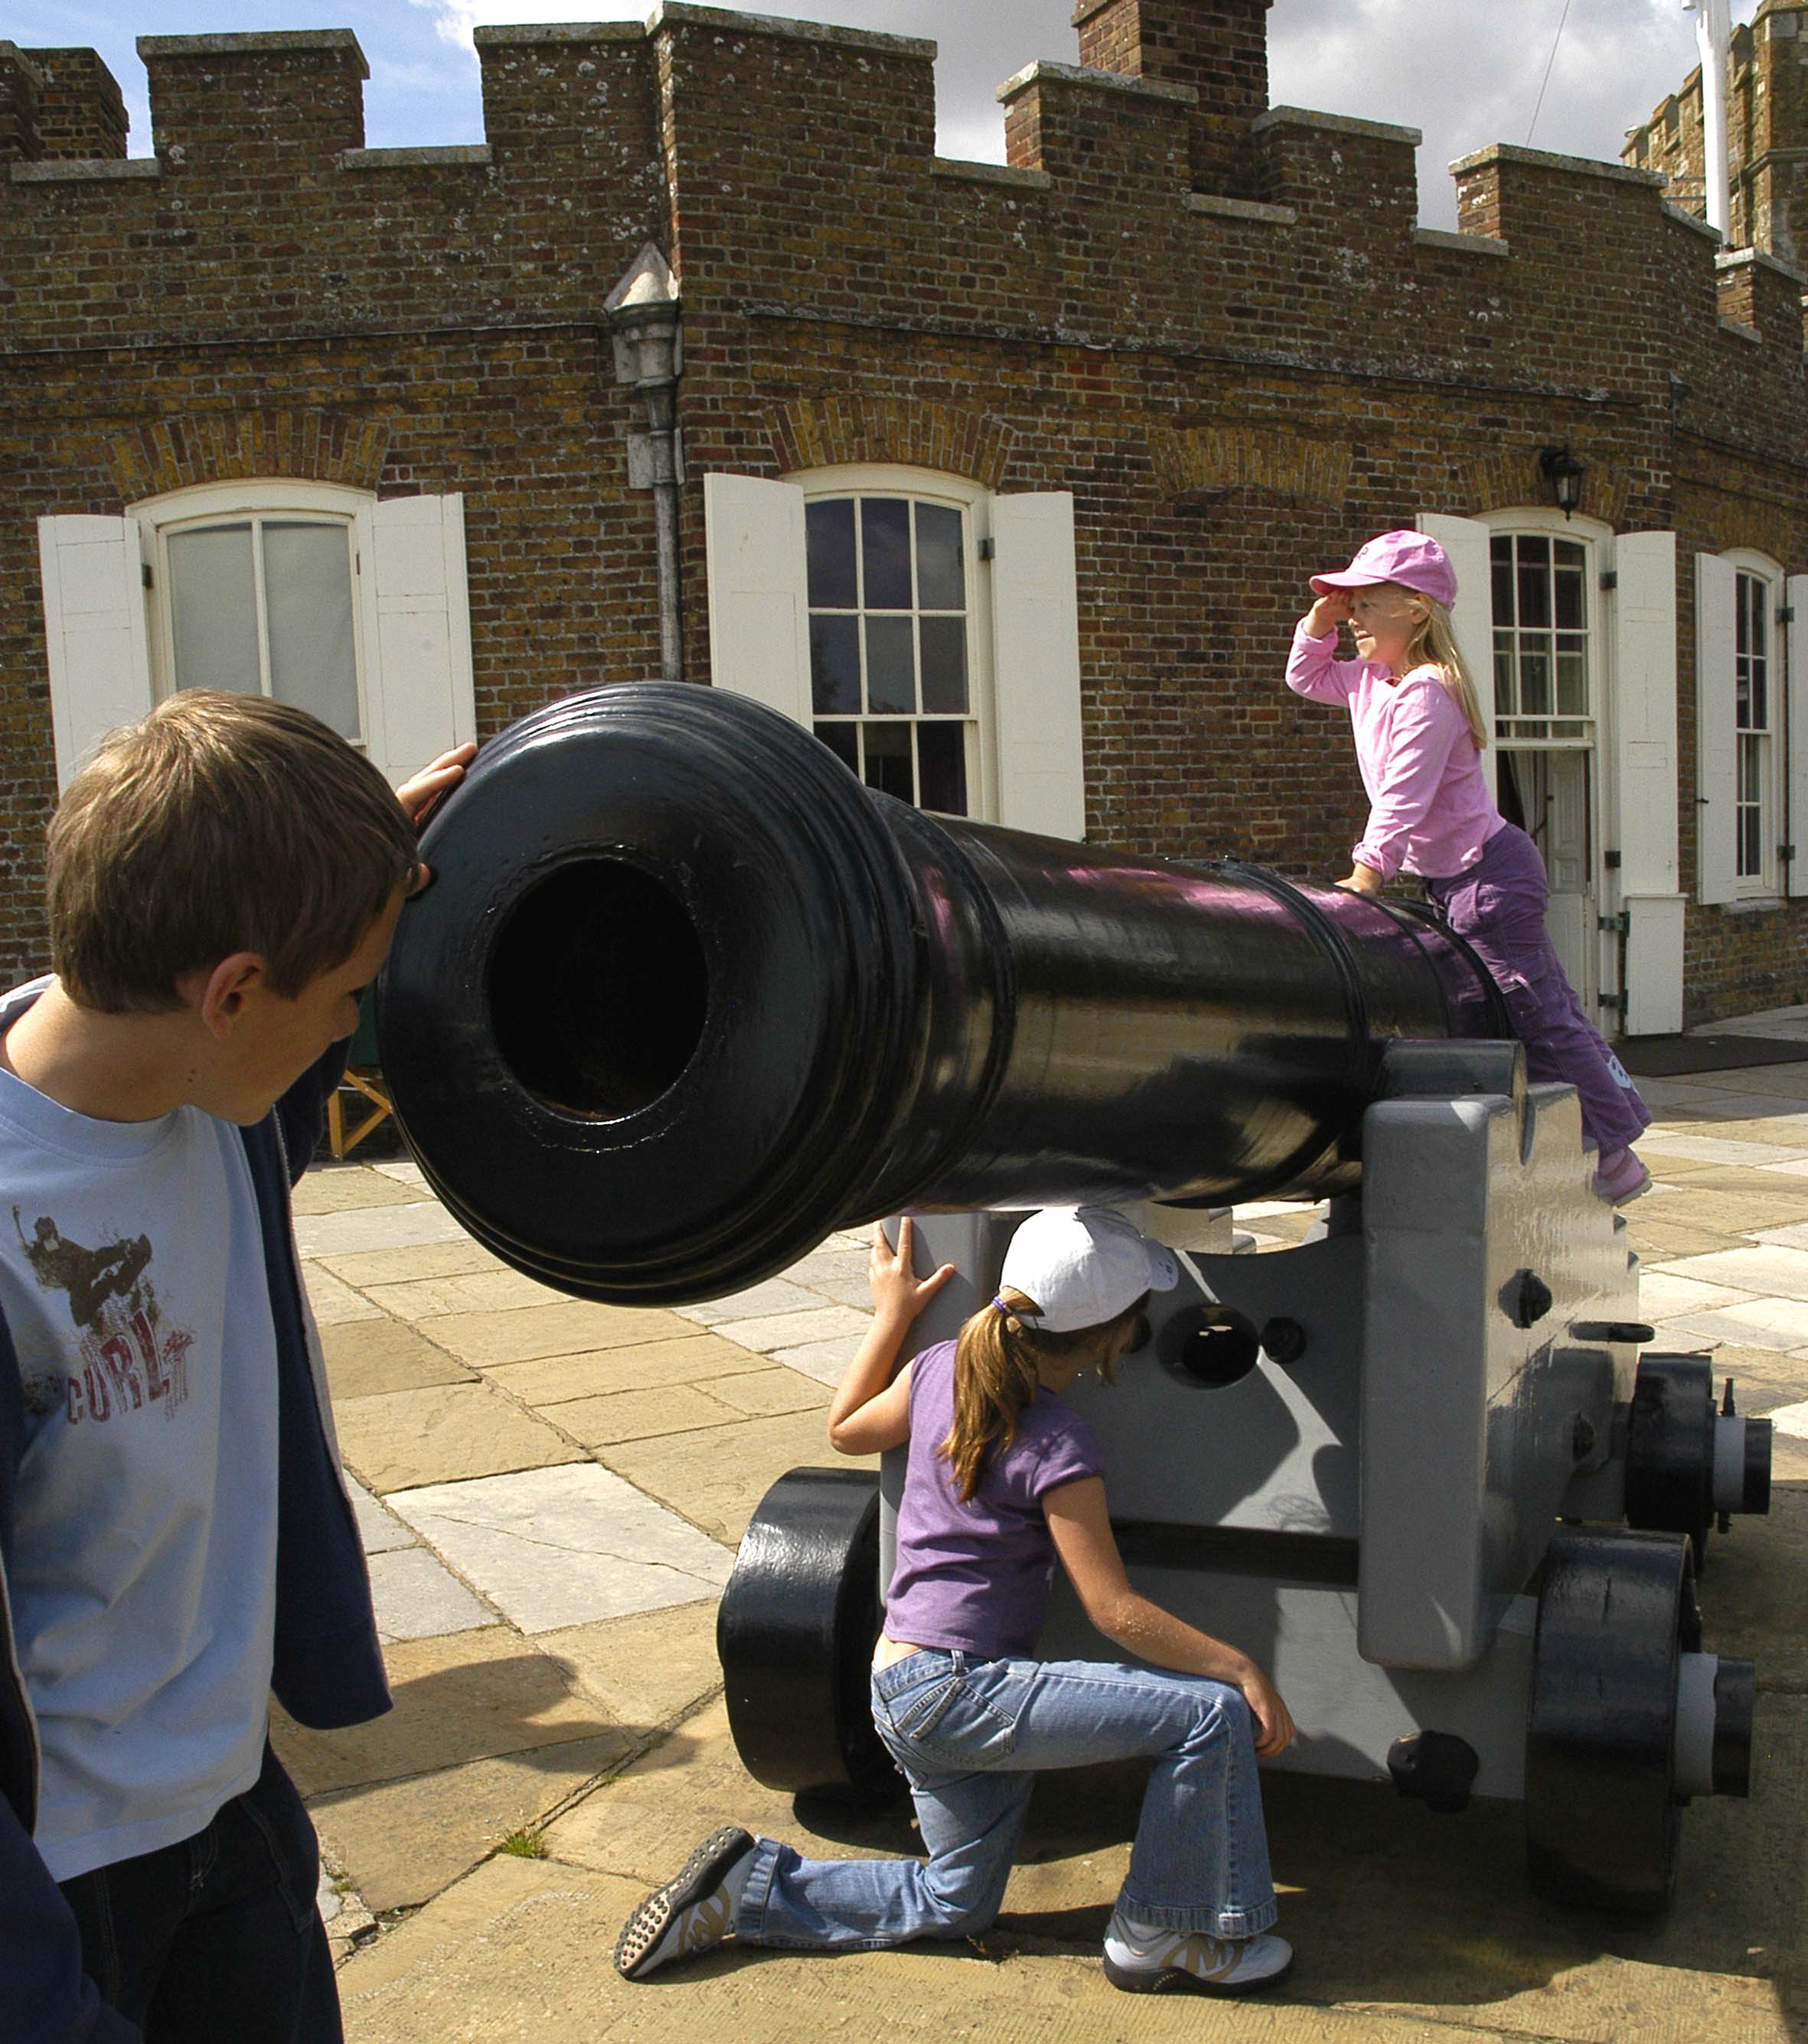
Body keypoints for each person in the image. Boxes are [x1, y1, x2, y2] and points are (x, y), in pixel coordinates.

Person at [0, 690, 475, 2044]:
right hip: (67, 1887)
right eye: (343, 1001)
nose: (351, 1036)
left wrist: (341, 863)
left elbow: (258, 990)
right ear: (233, 991)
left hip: (233, 1817)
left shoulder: (214, 1103)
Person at [615, 1207, 1297, 1998]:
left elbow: (843, 1430)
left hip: (900, 1689)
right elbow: (1113, 1608)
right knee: (1208, 1713)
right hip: (963, 1690)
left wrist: (890, 1317)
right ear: (1113, 1336)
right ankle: (1166, 1931)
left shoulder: (939, 1366)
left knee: (955, 1899)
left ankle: (749, 1885)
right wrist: (1237, 1663)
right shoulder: (1057, 1443)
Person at [1287, 528, 1652, 1203]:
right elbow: (1305, 675)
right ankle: (1591, 1135)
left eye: (1367, 604)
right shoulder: (1372, 680)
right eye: (1351, 605)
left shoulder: (1429, 692)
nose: (1354, 617)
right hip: (1456, 876)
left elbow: (1404, 792)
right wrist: (1319, 620)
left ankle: (1615, 1156)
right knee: (1529, 1007)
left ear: (1417, 609)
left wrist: (1368, 873)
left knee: (1535, 1013)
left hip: (1489, 875)